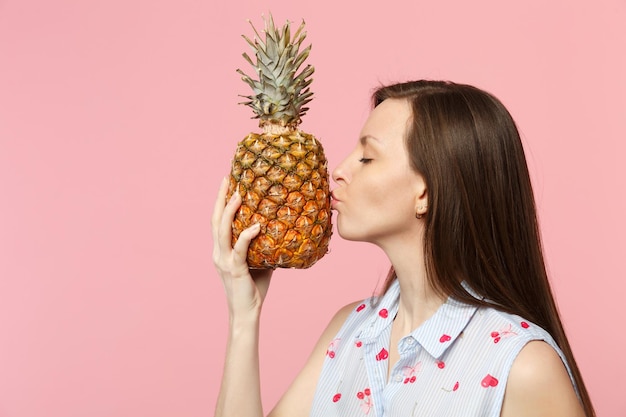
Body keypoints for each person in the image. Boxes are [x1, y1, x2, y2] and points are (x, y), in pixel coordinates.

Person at [212, 80, 595, 417]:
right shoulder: (347, 332)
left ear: (425, 192)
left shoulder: (523, 367)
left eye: (367, 157)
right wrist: (244, 317)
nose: (340, 169)